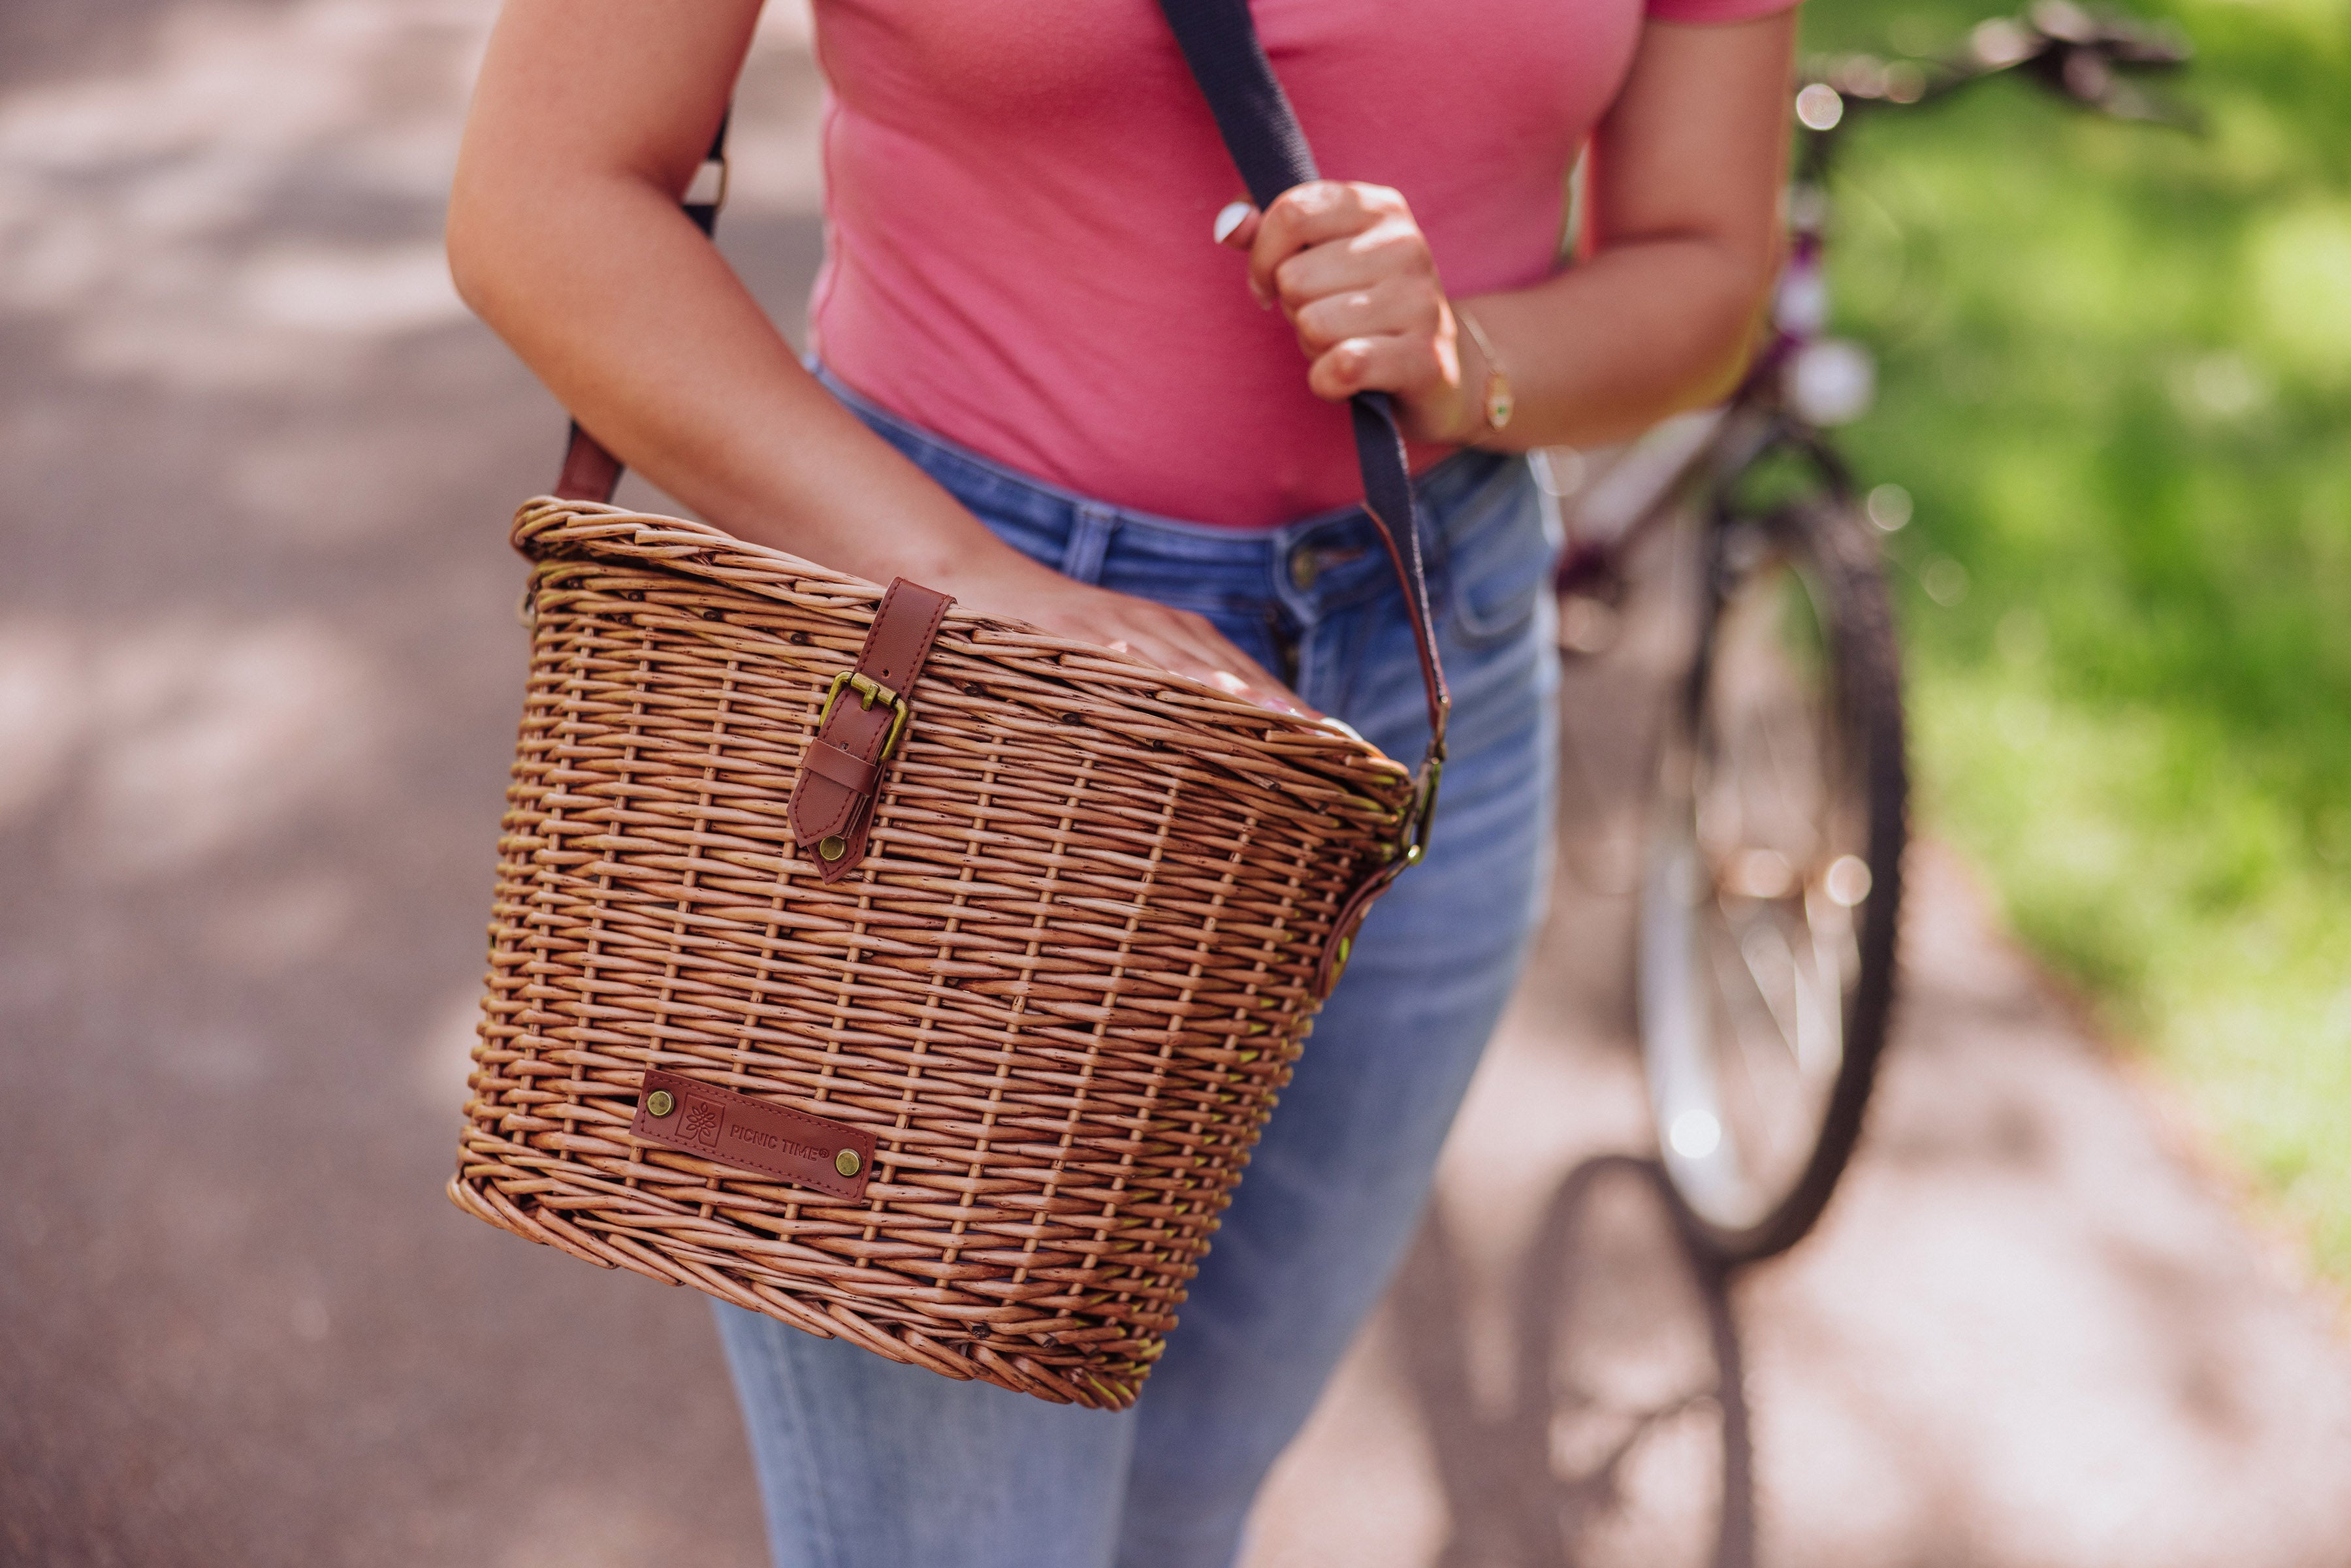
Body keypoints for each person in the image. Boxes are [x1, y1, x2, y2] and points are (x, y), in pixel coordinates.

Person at [447, 0, 1794, 1561]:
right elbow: (543, 196)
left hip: (1418, 681)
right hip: (952, 695)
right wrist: (959, 578)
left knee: (1183, 1509)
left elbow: (1704, 266)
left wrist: (1464, 353)